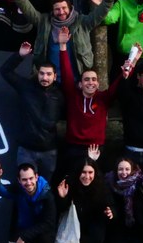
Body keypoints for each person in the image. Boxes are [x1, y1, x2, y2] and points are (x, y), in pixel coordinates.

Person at [15, 0, 120, 81]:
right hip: (50, 79)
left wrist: (108, 0)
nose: (61, 12)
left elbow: (98, 15)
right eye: (57, 9)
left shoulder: (81, 21)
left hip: (77, 78)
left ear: (70, 8)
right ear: (52, 11)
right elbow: (29, 12)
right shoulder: (44, 21)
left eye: (64, 8)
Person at [57, 27, 137, 165]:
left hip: (96, 147)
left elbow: (120, 81)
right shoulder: (72, 96)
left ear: (98, 84)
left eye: (94, 79)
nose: (90, 82)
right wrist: (63, 46)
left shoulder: (103, 98)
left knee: (95, 176)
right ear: (80, 84)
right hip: (74, 147)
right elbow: (66, 73)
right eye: (86, 79)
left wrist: (133, 63)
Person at [0, 42, 64, 183]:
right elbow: (5, 71)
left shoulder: (60, 94)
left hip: (49, 151)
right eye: (42, 73)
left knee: (44, 188)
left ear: (55, 76)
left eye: (48, 74)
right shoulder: (26, 87)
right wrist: (20, 55)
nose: (45, 77)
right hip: (26, 150)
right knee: (26, 186)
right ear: (37, 73)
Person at [0, 161, 57, 243]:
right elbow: (1, 190)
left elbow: (48, 223)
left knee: (45, 240)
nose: (28, 183)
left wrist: (24, 236)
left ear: (36, 177)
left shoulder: (47, 195)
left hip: (41, 232)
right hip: (24, 229)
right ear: (19, 180)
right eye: (24, 180)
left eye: (31, 178)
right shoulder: (18, 189)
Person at [56, 158, 114, 243]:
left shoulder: (101, 186)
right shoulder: (70, 184)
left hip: (94, 223)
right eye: (83, 172)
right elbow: (60, 209)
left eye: (90, 172)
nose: (87, 176)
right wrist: (62, 198)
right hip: (73, 222)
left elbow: (111, 205)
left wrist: (111, 212)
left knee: (98, 231)